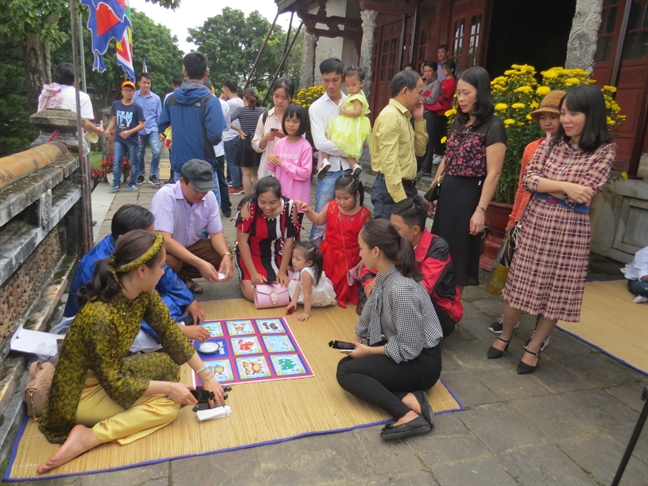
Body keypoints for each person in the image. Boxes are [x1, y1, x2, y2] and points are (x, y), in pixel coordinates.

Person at [36, 231, 224, 474]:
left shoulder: (143, 294)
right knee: (167, 407)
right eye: (161, 266)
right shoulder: (100, 318)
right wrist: (169, 389)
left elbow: (169, 332)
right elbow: (116, 385)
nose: (164, 272)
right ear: (142, 271)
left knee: (169, 365)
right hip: (79, 393)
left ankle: (151, 399)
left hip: (107, 375)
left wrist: (206, 375)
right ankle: (90, 437)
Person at [490, 85, 616, 374]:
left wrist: (552, 187)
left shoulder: (604, 149)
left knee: (557, 292)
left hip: (572, 230)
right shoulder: (550, 144)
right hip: (536, 222)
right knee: (520, 283)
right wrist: (565, 186)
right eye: (563, 113)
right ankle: (505, 336)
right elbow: (529, 180)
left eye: (574, 113)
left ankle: (533, 346)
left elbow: (586, 191)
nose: (566, 120)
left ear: (592, 114)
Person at [335, 219, 443, 441]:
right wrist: (357, 344)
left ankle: (405, 414)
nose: (359, 253)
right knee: (348, 365)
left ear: (375, 251)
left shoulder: (401, 290)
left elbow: (409, 348)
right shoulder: (387, 274)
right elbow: (370, 312)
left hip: (422, 363)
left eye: (361, 248)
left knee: (347, 373)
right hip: (409, 351)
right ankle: (411, 399)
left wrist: (368, 352)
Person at [61, 204, 209, 351]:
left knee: (173, 304)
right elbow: (128, 314)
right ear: (125, 238)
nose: (151, 241)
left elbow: (167, 275)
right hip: (98, 329)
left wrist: (190, 300)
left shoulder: (135, 250)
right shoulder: (102, 268)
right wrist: (179, 331)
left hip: (126, 309)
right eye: (147, 236)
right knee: (156, 328)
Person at [488, 90, 566, 350]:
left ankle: (540, 331)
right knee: (516, 273)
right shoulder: (532, 148)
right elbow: (523, 187)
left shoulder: (574, 151)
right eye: (543, 117)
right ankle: (510, 321)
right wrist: (513, 219)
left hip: (558, 223)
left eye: (553, 116)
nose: (547, 122)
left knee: (550, 279)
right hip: (526, 218)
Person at [429, 66, 506, 292]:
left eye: (467, 93)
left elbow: (494, 173)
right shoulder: (459, 122)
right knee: (439, 250)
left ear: (480, 93)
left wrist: (481, 210)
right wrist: (433, 190)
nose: (461, 99)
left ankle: (451, 308)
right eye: (459, 93)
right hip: (448, 194)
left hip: (469, 197)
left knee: (459, 255)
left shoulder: (494, 125)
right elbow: (447, 159)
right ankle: (435, 298)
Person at [359, 196, 463, 337]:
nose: (391, 232)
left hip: (437, 311)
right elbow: (367, 270)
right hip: (401, 298)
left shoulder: (438, 248)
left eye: (396, 228)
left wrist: (379, 282)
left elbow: (421, 291)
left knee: (399, 299)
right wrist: (369, 287)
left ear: (415, 230)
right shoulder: (396, 241)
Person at [151, 159, 234, 294]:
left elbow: (216, 233)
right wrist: (200, 263)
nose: (201, 194)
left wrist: (226, 255)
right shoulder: (165, 196)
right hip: (165, 249)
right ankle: (166, 281)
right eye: (197, 189)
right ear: (183, 181)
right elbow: (165, 240)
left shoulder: (210, 197)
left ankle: (181, 278)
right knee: (173, 262)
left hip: (190, 246)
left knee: (221, 254)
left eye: (205, 189)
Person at [297, 175, 371, 308]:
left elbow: (368, 242)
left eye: (346, 198)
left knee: (343, 287)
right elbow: (319, 220)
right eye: (338, 197)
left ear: (357, 194)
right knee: (323, 281)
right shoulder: (331, 206)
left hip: (350, 257)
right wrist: (307, 210)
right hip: (329, 252)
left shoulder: (364, 215)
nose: (342, 202)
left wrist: (362, 261)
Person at [158, 52, 226, 181]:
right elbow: (215, 136)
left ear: (185, 72)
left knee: (181, 200)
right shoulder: (210, 101)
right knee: (208, 200)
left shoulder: (171, 99)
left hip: (179, 165)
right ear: (206, 73)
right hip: (204, 165)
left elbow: (163, 126)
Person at [370, 70, 428, 220]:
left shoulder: (403, 116)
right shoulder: (391, 116)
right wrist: (403, 201)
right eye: (419, 92)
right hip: (392, 190)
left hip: (405, 187)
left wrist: (419, 120)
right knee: (387, 240)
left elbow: (420, 151)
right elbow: (390, 163)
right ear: (405, 91)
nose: (421, 98)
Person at [309, 58, 354, 246]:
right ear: (321, 79)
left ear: (342, 78)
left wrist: (348, 146)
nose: (330, 85)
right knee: (321, 217)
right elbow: (320, 143)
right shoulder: (316, 108)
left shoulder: (353, 103)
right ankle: (314, 261)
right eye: (326, 80)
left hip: (351, 170)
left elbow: (361, 138)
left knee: (348, 216)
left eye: (335, 80)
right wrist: (349, 150)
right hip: (328, 171)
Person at [234, 177, 299, 302]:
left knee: (288, 290)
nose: (267, 207)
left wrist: (282, 271)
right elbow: (242, 242)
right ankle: (243, 279)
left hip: (275, 252)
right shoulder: (249, 206)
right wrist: (253, 273)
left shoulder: (290, 207)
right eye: (262, 202)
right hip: (249, 253)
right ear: (257, 198)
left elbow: (288, 242)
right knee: (254, 293)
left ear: (280, 197)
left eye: (273, 202)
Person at [266, 103, 313, 224]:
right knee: (279, 231)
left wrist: (283, 163)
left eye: (295, 121)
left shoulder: (305, 146)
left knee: (293, 234)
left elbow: (305, 173)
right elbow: (273, 168)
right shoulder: (279, 144)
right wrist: (270, 159)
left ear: (302, 123)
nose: (290, 125)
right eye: (287, 120)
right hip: (280, 197)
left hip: (298, 200)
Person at [38, 62, 104, 142]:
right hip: (73, 140)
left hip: (47, 139)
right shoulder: (82, 96)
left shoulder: (46, 94)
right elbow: (83, 122)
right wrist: (98, 130)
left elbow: (41, 120)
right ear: (76, 79)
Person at [322, 65, 368, 178]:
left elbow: (357, 112)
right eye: (347, 85)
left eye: (354, 85)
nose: (350, 88)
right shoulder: (358, 95)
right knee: (344, 146)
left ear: (362, 83)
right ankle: (354, 165)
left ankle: (324, 160)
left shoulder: (356, 97)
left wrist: (343, 112)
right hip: (353, 124)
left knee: (332, 137)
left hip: (349, 124)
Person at [105, 81, 145, 192]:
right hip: (119, 138)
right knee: (117, 160)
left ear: (134, 92)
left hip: (132, 139)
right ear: (122, 91)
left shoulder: (137, 107)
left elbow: (142, 124)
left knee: (134, 162)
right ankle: (116, 183)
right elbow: (114, 119)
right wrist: (108, 129)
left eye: (131, 90)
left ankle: (132, 183)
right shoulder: (116, 104)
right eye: (126, 90)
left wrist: (130, 132)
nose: (128, 93)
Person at [252, 77, 295, 180]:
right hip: (267, 171)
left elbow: (302, 145)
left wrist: (286, 137)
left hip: (288, 172)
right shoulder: (265, 116)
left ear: (291, 97)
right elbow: (255, 145)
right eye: (276, 96)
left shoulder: (296, 118)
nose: (279, 101)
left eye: (284, 98)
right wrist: (266, 138)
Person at [286, 241, 337, 321]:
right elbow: (300, 284)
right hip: (318, 288)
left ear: (309, 262)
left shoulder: (305, 273)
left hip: (313, 295)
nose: (293, 261)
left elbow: (307, 294)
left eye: (297, 259)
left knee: (289, 286)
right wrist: (294, 300)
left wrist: (306, 312)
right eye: (293, 257)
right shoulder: (312, 265)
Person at [230, 88, 265, 197]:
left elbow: (227, 120)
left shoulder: (241, 110)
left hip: (244, 141)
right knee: (255, 174)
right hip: (256, 142)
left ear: (244, 98)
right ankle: (257, 198)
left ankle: (247, 199)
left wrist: (239, 130)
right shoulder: (261, 111)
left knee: (246, 174)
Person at [202, 78, 229, 216]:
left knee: (209, 181)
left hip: (207, 150)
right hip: (219, 148)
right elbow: (226, 126)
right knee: (221, 180)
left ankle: (211, 210)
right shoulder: (223, 104)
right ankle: (225, 208)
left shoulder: (203, 103)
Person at [134, 73, 162, 185]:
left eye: (148, 83)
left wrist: (161, 132)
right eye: (144, 82)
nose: (147, 85)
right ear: (139, 83)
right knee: (139, 153)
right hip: (138, 130)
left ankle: (153, 174)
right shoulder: (134, 97)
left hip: (152, 128)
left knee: (156, 151)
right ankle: (140, 174)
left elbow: (159, 115)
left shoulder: (156, 99)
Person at [427, 60, 457, 164]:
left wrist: (438, 90)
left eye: (445, 69)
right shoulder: (444, 80)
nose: (443, 71)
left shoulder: (452, 81)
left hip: (444, 109)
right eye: (443, 68)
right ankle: (436, 152)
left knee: (441, 133)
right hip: (437, 108)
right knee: (435, 132)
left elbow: (447, 95)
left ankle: (441, 153)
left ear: (452, 70)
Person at [418, 61, 442, 176]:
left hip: (430, 114)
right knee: (420, 140)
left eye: (429, 71)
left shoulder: (436, 83)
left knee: (428, 141)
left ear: (435, 72)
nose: (427, 73)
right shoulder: (424, 83)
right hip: (421, 113)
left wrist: (420, 98)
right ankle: (419, 166)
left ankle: (426, 169)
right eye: (425, 71)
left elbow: (432, 99)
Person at [222, 79, 245, 195]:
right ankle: (240, 184)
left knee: (232, 163)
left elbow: (223, 119)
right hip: (238, 136)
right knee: (238, 163)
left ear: (226, 88)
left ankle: (235, 186)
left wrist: (221, 99)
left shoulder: (228, 104)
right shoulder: (241, 101)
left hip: (230, 136)